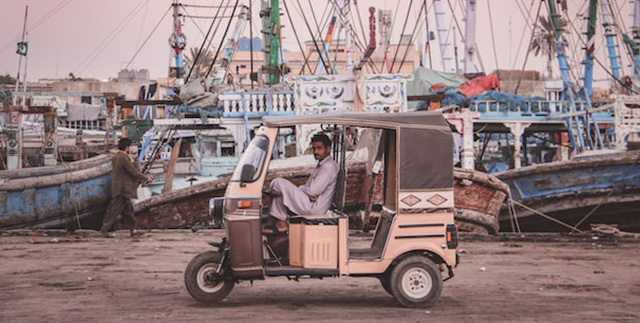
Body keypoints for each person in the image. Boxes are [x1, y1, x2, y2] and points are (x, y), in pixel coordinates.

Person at [266, 133, 339, 233]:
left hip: (314, 208)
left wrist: (303, 191)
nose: (316, 151)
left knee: (278, 183)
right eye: (314, 148)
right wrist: (303, 191)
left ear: (328, 149)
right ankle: (278, 222)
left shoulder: (328, 167)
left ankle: (281, 223)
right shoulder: (323, 164)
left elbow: (313, 191)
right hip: (311, 202)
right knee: (280, 191)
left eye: (319, 148)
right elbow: (310, 190)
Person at [100, 138, 153, 238]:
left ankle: (134, 230)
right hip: (122, 188)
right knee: (114, 210)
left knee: (128, 211)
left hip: (121, 187)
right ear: (127, 147)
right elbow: (133, 172)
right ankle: (104, 229)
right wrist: (146, 178)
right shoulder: (123, 158)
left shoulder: (117, 156)